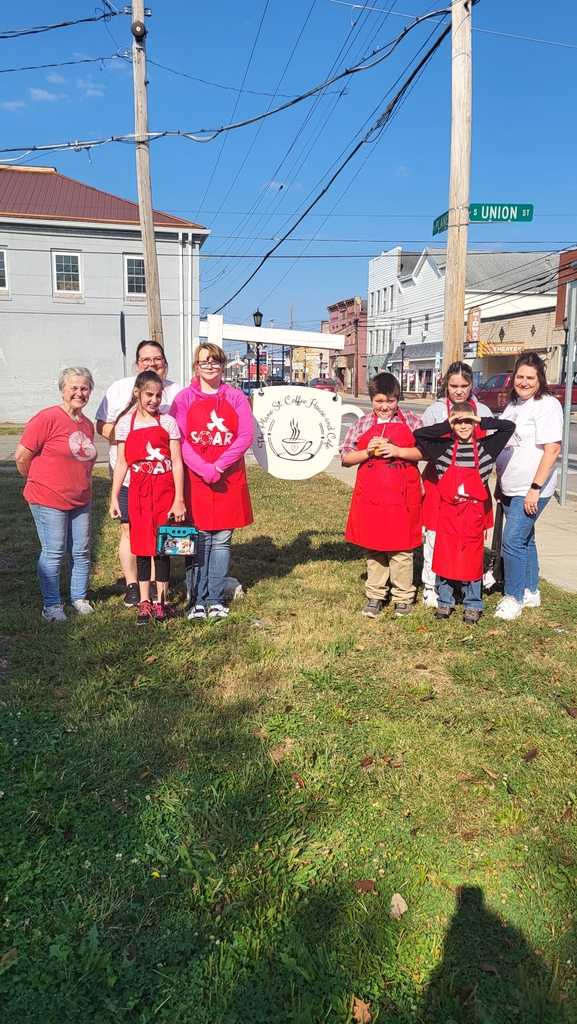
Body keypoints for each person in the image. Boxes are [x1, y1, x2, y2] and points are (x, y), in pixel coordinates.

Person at [170, 343, 253, 620]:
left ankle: (215, 599)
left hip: (227, 479)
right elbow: (178, 440)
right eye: (204, 362)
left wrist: (218, 465)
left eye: (215, 362)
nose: (209, 366)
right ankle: (196, 600)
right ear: (196, 366)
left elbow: (245, 436)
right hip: (195, 481)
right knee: (199, 540)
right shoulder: (183, 399)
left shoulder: (236, 397)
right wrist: (203, 468)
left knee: (222, 541)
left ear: (222, 366)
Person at [95, 341, 181, 607]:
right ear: (137, 363)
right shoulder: (119, 389)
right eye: (146, 359)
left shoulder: (175, 392)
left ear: (165, 362)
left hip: (162, 482)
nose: (152, 363)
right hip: (131, 482)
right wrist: (128, 440)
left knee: (160, 535)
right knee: (130, 531)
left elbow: (177, 444)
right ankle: (133, 586)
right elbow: (103, 426)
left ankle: (157, 591)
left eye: (158, 359)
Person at [414, 403, 515, 623]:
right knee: (445, 556)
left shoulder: (487, 447)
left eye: (467, 421)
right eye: (458, 421)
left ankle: (473, 603)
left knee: (472, 557)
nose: (463, 425)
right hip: (448, 512)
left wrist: (480, 421)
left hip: (473, 513)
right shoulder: (443, 449)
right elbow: (419, 434)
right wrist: (446, 425)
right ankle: (445, 601)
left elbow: (508, 426)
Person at [15, 368, 98, 621]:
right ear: (62, 390)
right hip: (48, 499)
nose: (79, 393)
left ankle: (79, 598)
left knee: (82, 551)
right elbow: (21, 457)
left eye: (84, 388)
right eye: (73, 388)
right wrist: (40, 482)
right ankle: (51, 606)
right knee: (54, 551)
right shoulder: (46, 418)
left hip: (81, 498)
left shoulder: (87, 424)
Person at [340, 372, 423, 618]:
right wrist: (367, 451)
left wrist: (398, 450)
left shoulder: (411, 420)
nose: (385, 406)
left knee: (402, 549)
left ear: (398, 398)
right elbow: (346, 458)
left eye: (390, 400)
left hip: (402, 496)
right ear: (372, 399)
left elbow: (426, 452)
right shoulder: (362, 423)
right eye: (379, 401)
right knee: (374, 547)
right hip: (372, 496)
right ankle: (376, 595)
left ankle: (403, 596)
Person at [109, 371, 186, 625]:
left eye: (158, 395)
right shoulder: (125, 424)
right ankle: (144, 602)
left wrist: (179, 499)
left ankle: (161, 602)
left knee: (163, 546)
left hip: (164, 489)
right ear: (137, 392)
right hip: (138, 491)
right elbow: (121, 463)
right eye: (149, 394)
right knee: (141, 547)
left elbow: (176, 462)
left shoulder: (168, 423)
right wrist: (113, 497)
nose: (154, 400)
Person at [493, 352, 563, 621]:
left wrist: (535, 487)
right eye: (519, 377)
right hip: (511, 486)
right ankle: (530, 589)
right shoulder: (513, 406)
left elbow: (553, 449)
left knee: (512, 541)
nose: (523, 382)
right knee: (525, 539)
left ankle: (513, 598)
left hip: (531, 488)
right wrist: (500, 484)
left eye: (530, 378)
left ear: (539, 379)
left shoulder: (546, 405)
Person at [419, 361, 493, 607]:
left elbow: (495, 448)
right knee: (436, 536)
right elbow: (420, 443)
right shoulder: (434, 410)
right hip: (438, 482)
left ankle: (467, 583)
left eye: (464, 385)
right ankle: (432, 584)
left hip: (472, 488)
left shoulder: (482, 409)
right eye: (453, 385)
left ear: (472, 385)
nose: (458, 390)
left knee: (468, 539)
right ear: (446, 385)